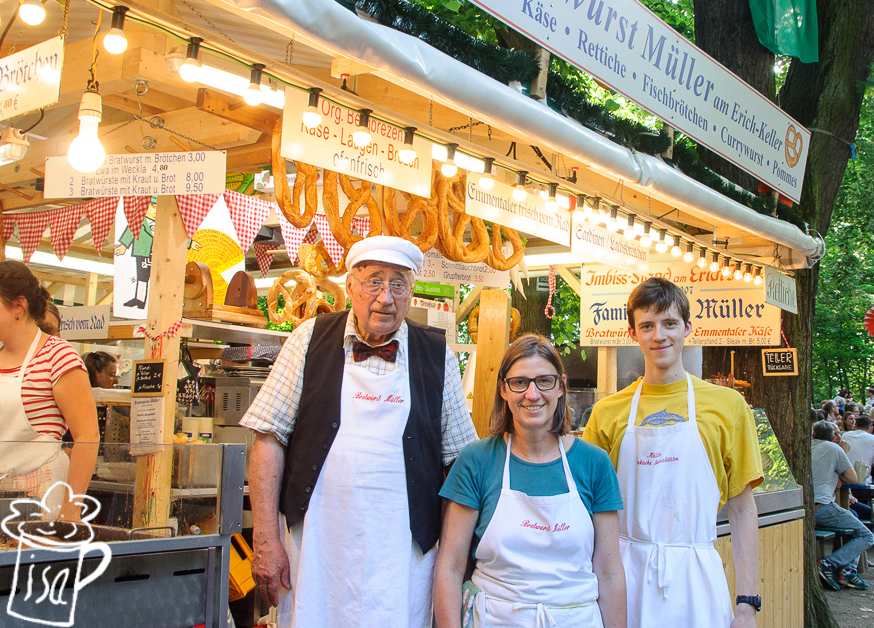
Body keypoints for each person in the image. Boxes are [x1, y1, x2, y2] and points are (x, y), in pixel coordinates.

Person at [240, 236, 477, 628]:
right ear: (350, 286)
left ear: (411, 291)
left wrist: (455, 559)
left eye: (398, 284)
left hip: (406, 553)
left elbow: (460, 464)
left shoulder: (438, 355)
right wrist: (265, 539)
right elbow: (268, 439)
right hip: (316, 546)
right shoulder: (307, 340)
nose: (385, 298)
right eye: (374, 282)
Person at [583, 277, 762, 627]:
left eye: (668, 324)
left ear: (687, 328)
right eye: (646, 326)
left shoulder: (728, 406)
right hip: (623, 577)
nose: (658, 336)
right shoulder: (607, 413)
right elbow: (587, 511)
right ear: (632, 333)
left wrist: (746, 604)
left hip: (697, 577)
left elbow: (742, 509)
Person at [435, 335, 625, 627]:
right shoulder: (477, 460)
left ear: (561, 386)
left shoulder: (594, 464)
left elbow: (610, 574)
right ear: (504, 389)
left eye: (544, 381)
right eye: (519, 382)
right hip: (494, 619)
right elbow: (449, 567)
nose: (532, 394)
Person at [0, 261, 98, 520]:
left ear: (18, 307)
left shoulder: (58, 356)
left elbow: (87, 436)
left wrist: (70, 511)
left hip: (40, 495)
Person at [810, 421, 873, 591]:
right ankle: (829, 564)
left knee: (853, 518)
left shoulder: (805, 446)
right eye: (837, 434)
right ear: (832, 437)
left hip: (805, 509)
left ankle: (848, 571)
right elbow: (853, 479)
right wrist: (843, 452)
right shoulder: (835, 449)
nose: (840, 437)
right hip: (822, 507)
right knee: (866, 536)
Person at [842, 415, 874, 485]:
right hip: (864, 483)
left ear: (855, 426)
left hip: (845, 480)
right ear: (871, 428)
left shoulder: (845, 436)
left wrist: (872, 462)